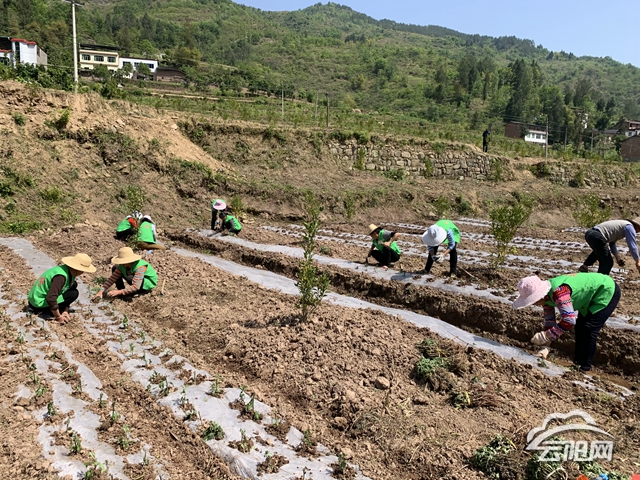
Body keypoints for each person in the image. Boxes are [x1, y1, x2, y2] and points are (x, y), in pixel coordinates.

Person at [512, 273, 620, 372]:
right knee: (580, 327)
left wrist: (546, 335)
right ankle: (577, 364)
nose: (533, 304)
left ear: (539, 296)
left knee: (589, 328)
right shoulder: (546, 298)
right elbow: (550, 322)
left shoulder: (559, 292)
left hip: (605, 290)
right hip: (590, 296)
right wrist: (546, 346)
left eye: (532, 300)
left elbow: (569, 320)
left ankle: (584, 368)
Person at [27, 253, 96, 324]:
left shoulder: (66, 270)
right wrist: (58, 317)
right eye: (82, 270)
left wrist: (65, 310)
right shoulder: (60, 277)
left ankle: (60, 309)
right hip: (38, 303)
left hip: (35, 300)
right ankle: (46, 311)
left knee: (74, 285)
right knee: (73, 294)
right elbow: (50, 298)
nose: (82, 273)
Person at [94, 247, 158, 300]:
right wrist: (101, 291)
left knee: (130, 278)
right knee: (115, 267)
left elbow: (136, 286)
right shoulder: (123, 265)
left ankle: (140, 291)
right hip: (135, 281)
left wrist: (119, 292)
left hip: (145, 284)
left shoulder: (140, 267)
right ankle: (122, 292)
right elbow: (113, 278)